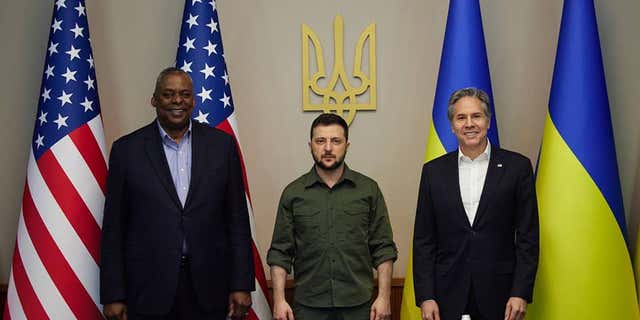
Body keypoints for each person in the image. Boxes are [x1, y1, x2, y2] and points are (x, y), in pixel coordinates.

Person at [100, 67, 254, 320]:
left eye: (184, 94)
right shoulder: (127, 151)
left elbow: (237, 220)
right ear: (154, 100)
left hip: (210, 288)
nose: (177, 101)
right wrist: (113, 294)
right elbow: (114, 228)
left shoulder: (221, 146)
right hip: (148, 291)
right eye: (168, 94)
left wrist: (241, 283)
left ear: (193, 100)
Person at [413, 88, 539, 320]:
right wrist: (426, 295)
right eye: (461, 118)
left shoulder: (517, 168)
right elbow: (424, 239)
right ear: (452, 125)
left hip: (501, 295)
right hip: (446, 295)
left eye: (476, 116)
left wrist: (520, 292)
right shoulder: (433, 172)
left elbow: (527, 237)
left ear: (488, 121)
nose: (469, 124)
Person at [267, 113, 398, 320]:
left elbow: (383, 248)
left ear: (347, 145)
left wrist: (384, 297)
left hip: (359, 305)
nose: (328, 148)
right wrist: (279, 300)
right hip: (308, 307)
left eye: (335, 141)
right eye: (321, 141)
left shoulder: (368, 190)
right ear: (310, 145)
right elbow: (280, 252)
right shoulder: (293, 193)